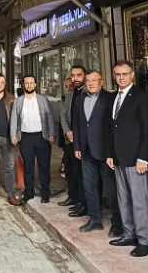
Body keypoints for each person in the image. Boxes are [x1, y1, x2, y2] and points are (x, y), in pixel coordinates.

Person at [107, 61, 148, 258]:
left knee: (140, 200)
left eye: (124, 74)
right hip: (119, 157)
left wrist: (143, 158)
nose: (121, 78)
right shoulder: (115, 97)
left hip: (136, 158)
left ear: (132, 75)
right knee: (124, 198)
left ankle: (146, 241)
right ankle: (129, 234)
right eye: (118, 74)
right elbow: (113, 128)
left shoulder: (141, 97)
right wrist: (110, 154)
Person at [73, 70, 123, 237]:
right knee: (89, 186)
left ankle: (117, 223)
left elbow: (113, 127)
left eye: (94, 80)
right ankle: (95, 220)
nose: (91, 83)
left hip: (105, 151)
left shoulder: (109, 99)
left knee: (111, 188)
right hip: (86, 151)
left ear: (101, 82)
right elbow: (77, 123)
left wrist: (112, 151)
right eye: (88, 80)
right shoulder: (80, 99)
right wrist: (77, 146)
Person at [10, 74, 56, 204]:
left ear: (35, 85)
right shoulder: (18, 101)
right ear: (23, 85)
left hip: (42, 137)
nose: (29, 85)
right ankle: (29, 192)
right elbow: (14, 119)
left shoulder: (43, 100)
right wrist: (13, 135)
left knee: (44, 166)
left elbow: (50, 117)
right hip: (25, 138)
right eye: (26, 83)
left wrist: (52, 134)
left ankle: (45, 193)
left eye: (31, 83)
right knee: (28, 166)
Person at [59, 67, 87, 216]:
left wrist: (78, 134)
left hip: (83, 141)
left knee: (81, 173)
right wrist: (67, 132)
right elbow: (63, 115)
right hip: (69, 140)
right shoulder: (70, 94)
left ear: (84, 76)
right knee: (70, 171)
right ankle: (73, 197)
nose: (75, 78)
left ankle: (83, 203)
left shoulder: (88, 93)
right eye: (73, 76)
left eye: (79, 75)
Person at [0, 73, 18, 206]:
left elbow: (16, 117)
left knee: (9, 167)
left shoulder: (11, 98)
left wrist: (15, 135)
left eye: (2, 82)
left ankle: (11, 194)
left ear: (5, 84)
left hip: (8, 138)